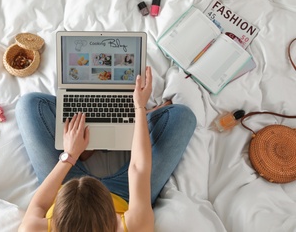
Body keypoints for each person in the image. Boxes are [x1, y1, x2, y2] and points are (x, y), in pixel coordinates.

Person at [15, 66, 196, 232]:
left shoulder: (33, 229)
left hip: (70, 173)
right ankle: (123, 123)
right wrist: (139, 107)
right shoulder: (135, 226)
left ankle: (92, 137)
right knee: (183, 117)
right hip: (123, 194)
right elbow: (138, 169)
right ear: (113, 218)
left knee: (29, 104)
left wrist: (70, 155)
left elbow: (39, 206)